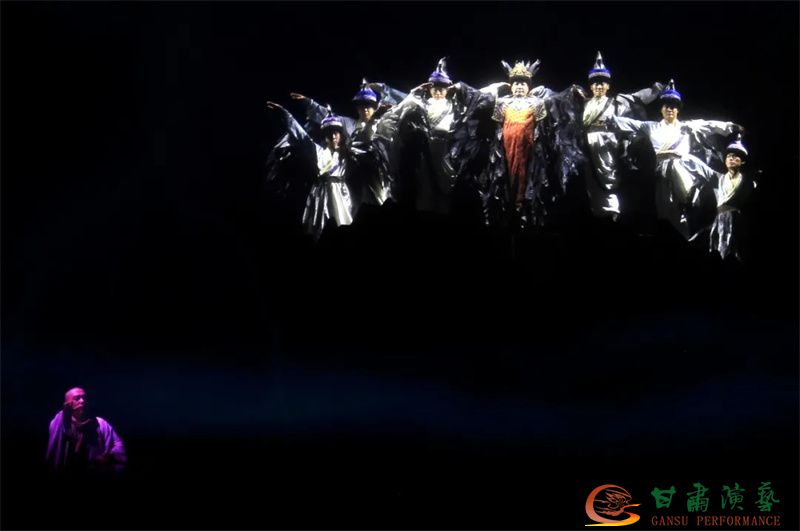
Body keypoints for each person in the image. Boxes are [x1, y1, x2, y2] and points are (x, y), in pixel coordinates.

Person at [608, 79, 742, 240]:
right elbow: (630, 123)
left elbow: (709, 125)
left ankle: (693, 199)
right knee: (668, 213)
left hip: (686, 168)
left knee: (690, 174)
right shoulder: (651, 127)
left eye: (673, 106)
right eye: (667, 106)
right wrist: (608, 118)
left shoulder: (686, 127)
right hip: (661, 172)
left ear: (678, 110)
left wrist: (731, 127)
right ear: (661, 109)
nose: (670, 109)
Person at [374, 57, 493, 218]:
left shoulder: (455, 106)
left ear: (448, 88)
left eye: (442, 88)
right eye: (435, 88)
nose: (438, 91)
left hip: (447, 151)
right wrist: (412, 95)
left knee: (446, 191)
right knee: (425, 188)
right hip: (424, 151)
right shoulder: (419, 104)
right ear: (429, 88)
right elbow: (392, 117)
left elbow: (485, 99)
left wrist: (460, 87)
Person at [575, 52, 663, 219]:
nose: (599, 86)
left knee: (610, 180)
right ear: (590, 86)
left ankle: (613, 215)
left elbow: (638, 98)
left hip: (609, 146)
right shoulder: (583, 104)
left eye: (602, 83)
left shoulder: (616, 103)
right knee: (591, 183)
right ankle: (598, 215)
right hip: (587, 147)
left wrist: (655, 90)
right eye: (595, 83)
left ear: (608, 86)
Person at [266, 101, 354, 239]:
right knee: (321, 229)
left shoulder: (348, 153)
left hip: (340, 193)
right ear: (325, 136)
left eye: (336, 133)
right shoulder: (318, 151)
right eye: (329, 134)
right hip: (321, 193)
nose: (333, 137)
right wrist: (285, 114)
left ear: (341, 135)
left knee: (343, 223)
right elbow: (301, 136)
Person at [46, 387, 127, 475]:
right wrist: (65, 415)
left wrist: (109, 456)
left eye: (84, 398)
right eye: (77, 398)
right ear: (67, 404)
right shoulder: (60, 422)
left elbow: (118, 443)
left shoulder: (100, 423)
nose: (82, 401)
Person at [702, 134, 757, 261]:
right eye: (729, 156)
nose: (731, 158)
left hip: (738, 219)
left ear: (742, 161)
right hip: (719, 218)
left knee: (737, 249)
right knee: (719, 247)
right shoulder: (719, 178)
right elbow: (701, 168)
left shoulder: (749, 181)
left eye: (736, 156)